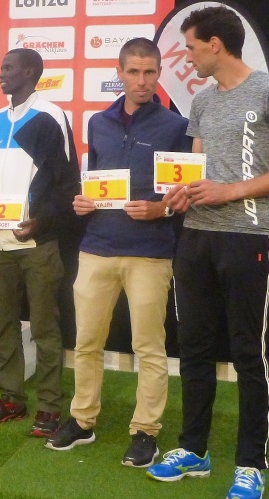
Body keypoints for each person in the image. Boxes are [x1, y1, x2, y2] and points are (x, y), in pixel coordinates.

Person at [44, 39, 191, 466]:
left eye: (149, 72)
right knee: (86, 342)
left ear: (159, 73)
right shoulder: (98, 123)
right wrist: (82, 202)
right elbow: (95, 181)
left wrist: (162, 208)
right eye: (133, 72)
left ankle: (146, 431)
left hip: (150, 252)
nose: (142, 81)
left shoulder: (177, 126)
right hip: (97, 246)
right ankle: (82, 421)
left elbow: (186, 193)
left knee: (149, 347)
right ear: (120, 72)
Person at [145, 7, 269, 498]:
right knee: (193, 348)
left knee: (246, 352)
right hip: (195, 236)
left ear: (215, 44)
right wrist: (181, 194)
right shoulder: (200, 99)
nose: (188, 56)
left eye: (192, 46)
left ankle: (251, 463)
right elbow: (195, 169)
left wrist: (230, 191)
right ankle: (194, 448)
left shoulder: (264, 90)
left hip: (247, 236)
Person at [0, 48, 79, 436]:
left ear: (30, 72)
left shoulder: (50, 117)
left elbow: (67, 185)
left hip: (36, 247)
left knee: (45, 330)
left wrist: (41, 221)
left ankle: (49, 406)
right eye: (1, 67)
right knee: (4, 327)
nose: (2, 73)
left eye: (9, 68)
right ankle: (11, 398)